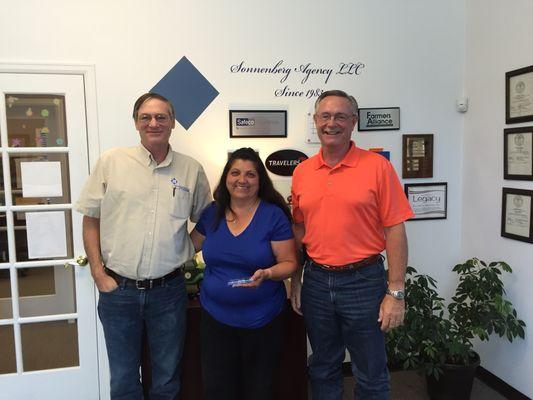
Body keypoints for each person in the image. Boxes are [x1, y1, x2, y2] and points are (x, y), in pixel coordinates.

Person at [75, 92, 211, 400]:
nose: (153, 123)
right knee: (123, 380)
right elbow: (90, 218)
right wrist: (97, 271)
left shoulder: (191, 169)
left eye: (161, 117)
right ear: (136, 123)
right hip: (118, 291)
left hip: (169, 293)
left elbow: (207, 220)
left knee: (167, 378)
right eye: (145, 117)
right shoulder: (112, 161)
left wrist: (186, 250)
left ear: (173, 122)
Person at [290, 90, 414, 400]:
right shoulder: (303, 171)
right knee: (322, 367)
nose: (332, 123)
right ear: (316, 121)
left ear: (354, 122)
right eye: (325, 116)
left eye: (341, 116)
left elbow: (395, 229)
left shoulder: (377, 167)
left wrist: (395, 292)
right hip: (316, 282)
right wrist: (296, 279)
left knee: (370, 372)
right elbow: (300, 228)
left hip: (363, 282)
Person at [190, 147, 298, 400]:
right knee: (218, 389)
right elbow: (187, 246)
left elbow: (289, 262)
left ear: (260, 180)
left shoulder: (273, 216)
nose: (242, 180)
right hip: (215, 319)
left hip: (261, 320)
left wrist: (269, 273)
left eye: (250, 174)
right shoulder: (212, 213)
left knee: (258, 389)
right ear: (226, 177)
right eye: (235, 172)